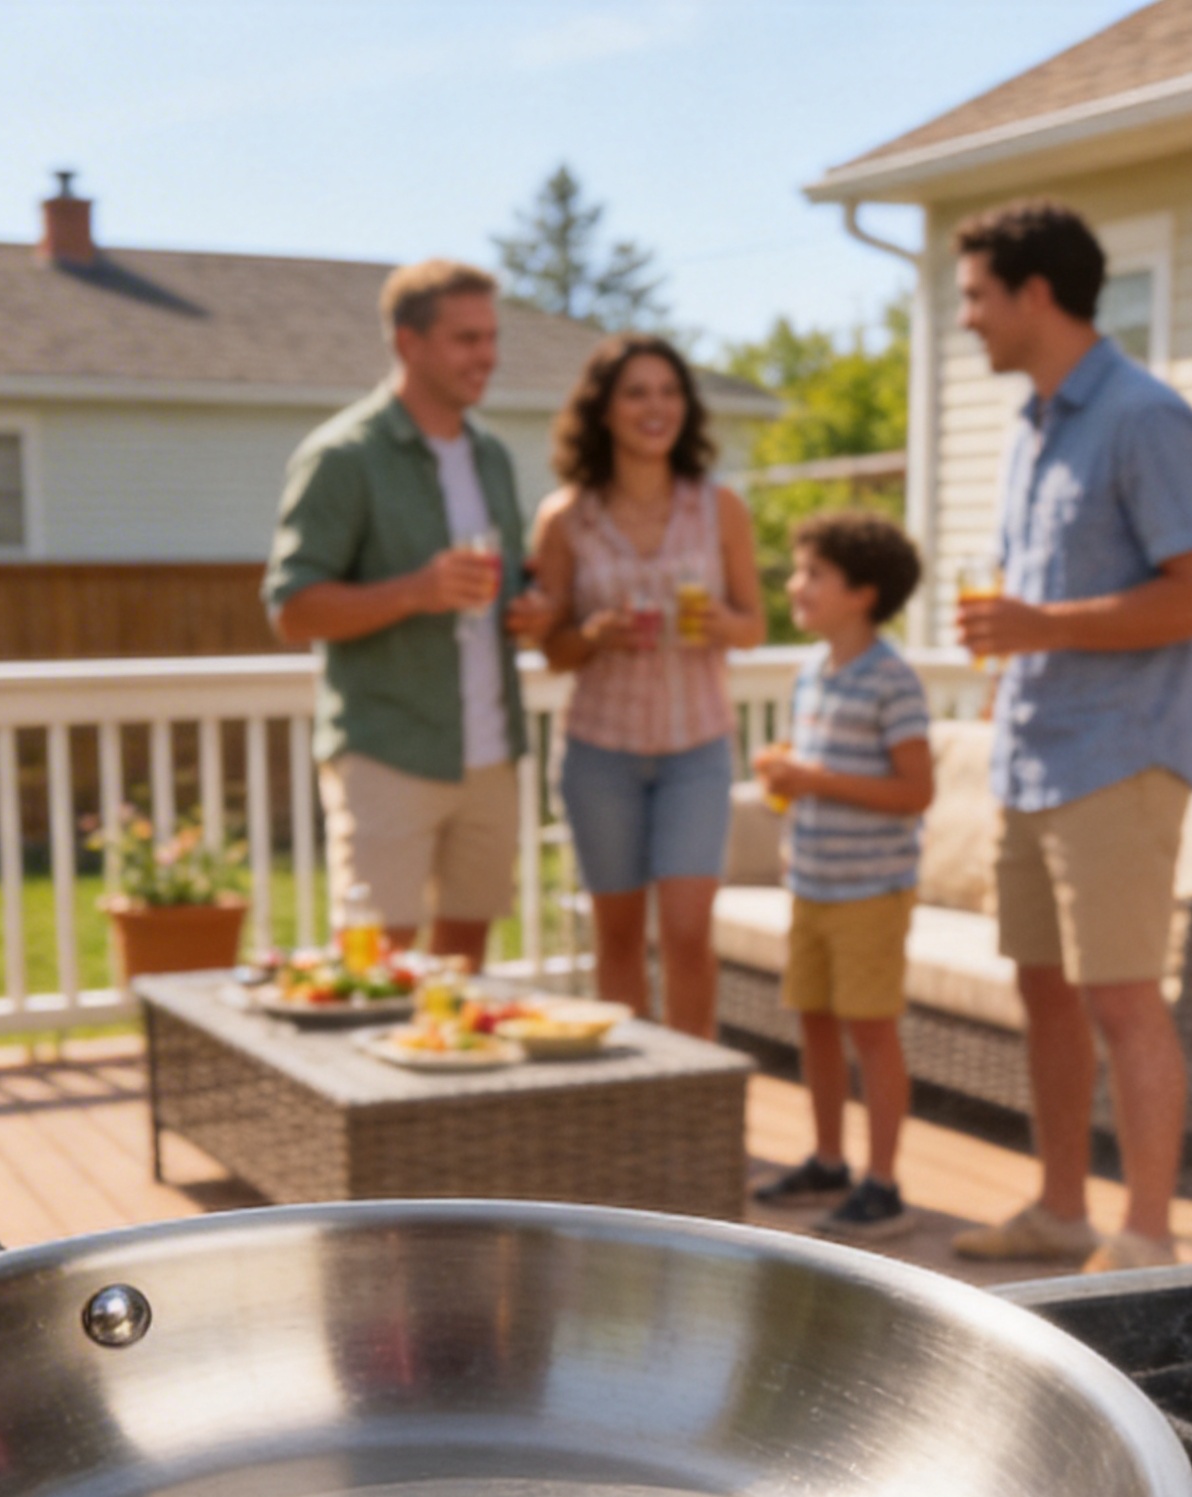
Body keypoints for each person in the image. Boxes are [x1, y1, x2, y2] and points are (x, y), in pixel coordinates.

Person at [945, 199, 1192, 1275]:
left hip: (1119, 757)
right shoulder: (1035, 426)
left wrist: (1035, 625)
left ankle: (1148, 1237)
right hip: (1034, 750)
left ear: (1034, 294)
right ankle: (1062, 1210)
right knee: (1044, 991)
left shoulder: (1145, 418)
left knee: (1121, 998)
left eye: (976, 296)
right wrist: (1011, 672)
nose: (967, 318)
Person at [266, 259, 559, 971]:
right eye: (466, 339)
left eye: (490, 337)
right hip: (388, 751)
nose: (486, 356)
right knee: (376, 966)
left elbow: (509, 576)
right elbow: (293, 609)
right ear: (408, 342)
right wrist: (414, 592)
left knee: (464, 969)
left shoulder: (490, 456)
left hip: (489, 753)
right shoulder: (344, 457)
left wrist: (530, 606)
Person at [527, 335, 765, 1034]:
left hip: (697, 747)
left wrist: (719, 621)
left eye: (668, 392)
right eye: (636, 392)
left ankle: (696, 1101)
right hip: (601, 752)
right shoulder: (565, 518)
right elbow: (554, 650)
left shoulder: (720, 508)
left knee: (690, 933)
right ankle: (633, 1109)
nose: (655, 407)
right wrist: (594, 636)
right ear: (602, 410)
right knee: (619, 937)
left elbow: (755, 626)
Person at [748, 511, 933, 1238]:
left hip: (871, 893)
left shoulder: (894, 680)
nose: (795, 585)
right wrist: (789, 776)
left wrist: (815, 778)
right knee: (815, 1024)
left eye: (812, 574)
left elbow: (916, 791)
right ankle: (828, 1159)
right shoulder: (810, 674)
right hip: (813, 885)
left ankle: (882, 1183)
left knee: (871, 1032)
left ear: (863, 592)